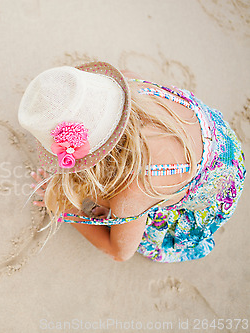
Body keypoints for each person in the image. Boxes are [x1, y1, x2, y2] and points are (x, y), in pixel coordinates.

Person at [18, 61, 246, 262]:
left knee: (121, 212)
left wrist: (66, 208)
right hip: (217, 134)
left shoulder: (134, 189)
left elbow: (119, 252)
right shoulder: (127, 83)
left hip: (220, 181)